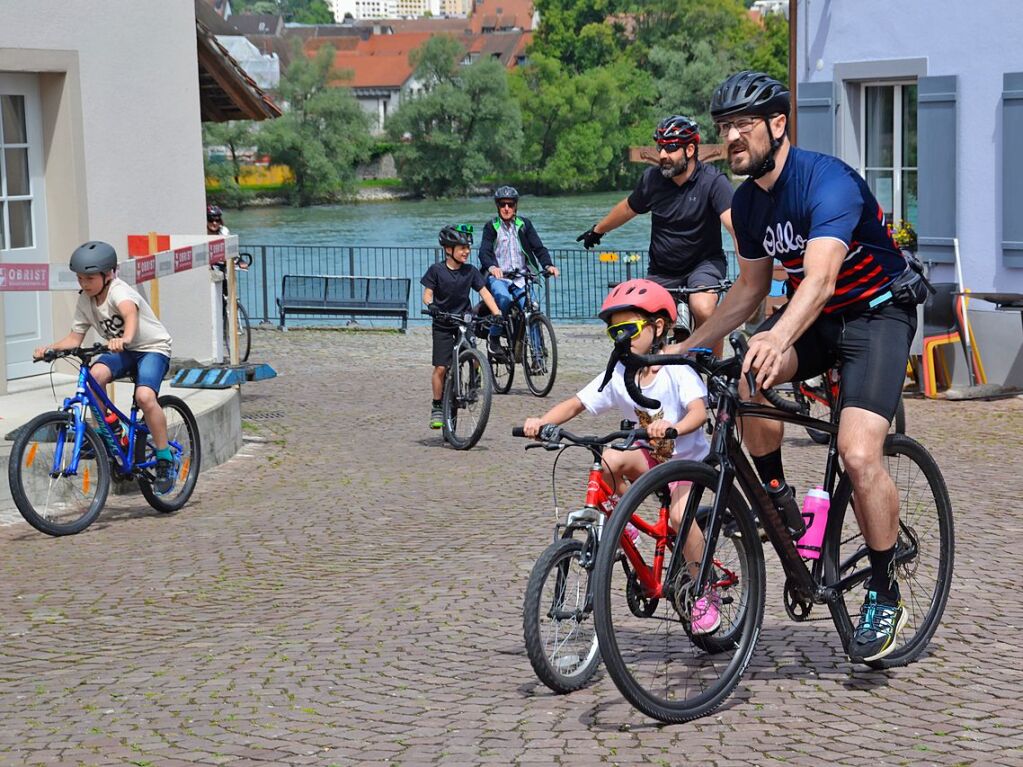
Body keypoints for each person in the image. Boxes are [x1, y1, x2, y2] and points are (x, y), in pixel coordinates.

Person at [677, 70, 926, 662]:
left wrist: (777, 333)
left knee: (859, 452)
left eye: (742, 125)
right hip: (821, 319)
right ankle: (777, 498)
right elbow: (746, 291)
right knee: (745, 378)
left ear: (778, 124)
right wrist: (687, 347)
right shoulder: (747, 202)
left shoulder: (827, 182)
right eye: (724, 128)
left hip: (877, 314)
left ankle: (885, 587)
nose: (732, 138)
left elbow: (819, 280)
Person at [522, 279, 720, 634]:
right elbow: (577, 402)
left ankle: (705, 590)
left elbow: (698, 413)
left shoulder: (677, 369)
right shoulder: (621, 372)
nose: (621, 340)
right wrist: (542, 422)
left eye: (629, 329)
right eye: (614, 332)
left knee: (678, 515)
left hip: (688, 463)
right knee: (610, 458)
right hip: (652, 458)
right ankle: (623, 525)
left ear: (658, 327)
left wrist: (673, 427)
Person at [33, 241, 177, 494]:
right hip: (121, 350)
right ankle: (112, 432)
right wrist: (51, 349)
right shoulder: (85, 301)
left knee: (144, 396)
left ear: (108, 274)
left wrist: (126, 338)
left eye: (89, 278)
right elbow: (74, 338)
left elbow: (129, 314)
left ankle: (165, 459)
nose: (84, 284)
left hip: (152, 348)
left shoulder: (120, 292)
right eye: (79, 278)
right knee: (94, 375)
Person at [576, 115, 736, 340]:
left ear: (690, 150)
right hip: (663, 270)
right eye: (660, 147)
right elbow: (628, 208)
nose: (662, 155)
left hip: (704, 265)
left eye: (670, 148)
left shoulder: (713, 182)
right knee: (641, 318)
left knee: (703, 307)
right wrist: (598, 230)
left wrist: (751, 269)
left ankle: (713, 369)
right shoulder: (652, 180)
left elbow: (734, 224)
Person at [422, 224, 501, 430]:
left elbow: (485, 293)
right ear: (448, 249)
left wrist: (497, 313)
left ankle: (474, 380)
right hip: (443, 323)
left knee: (474, 355)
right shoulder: (436, 270)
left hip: (465, 321)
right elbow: (427, 294)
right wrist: (431, 306)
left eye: (468, 247)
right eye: (461, 247)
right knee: (441, 368)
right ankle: (438, 405)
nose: (466, 251)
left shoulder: (470, 271)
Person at [478, 186, 559, 355]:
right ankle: (494, 338)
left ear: (515, 206)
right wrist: (493, 268)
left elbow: (538, 248)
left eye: (510, 204)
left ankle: (537, 357)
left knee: (533, 309)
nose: (506, 208)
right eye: (502, 204)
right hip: (500, 278)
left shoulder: (524, 225)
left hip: (522, 277)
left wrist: (548, 265)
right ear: (497, 206)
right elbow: (484, 252)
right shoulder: (491, 227)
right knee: (504, 300)